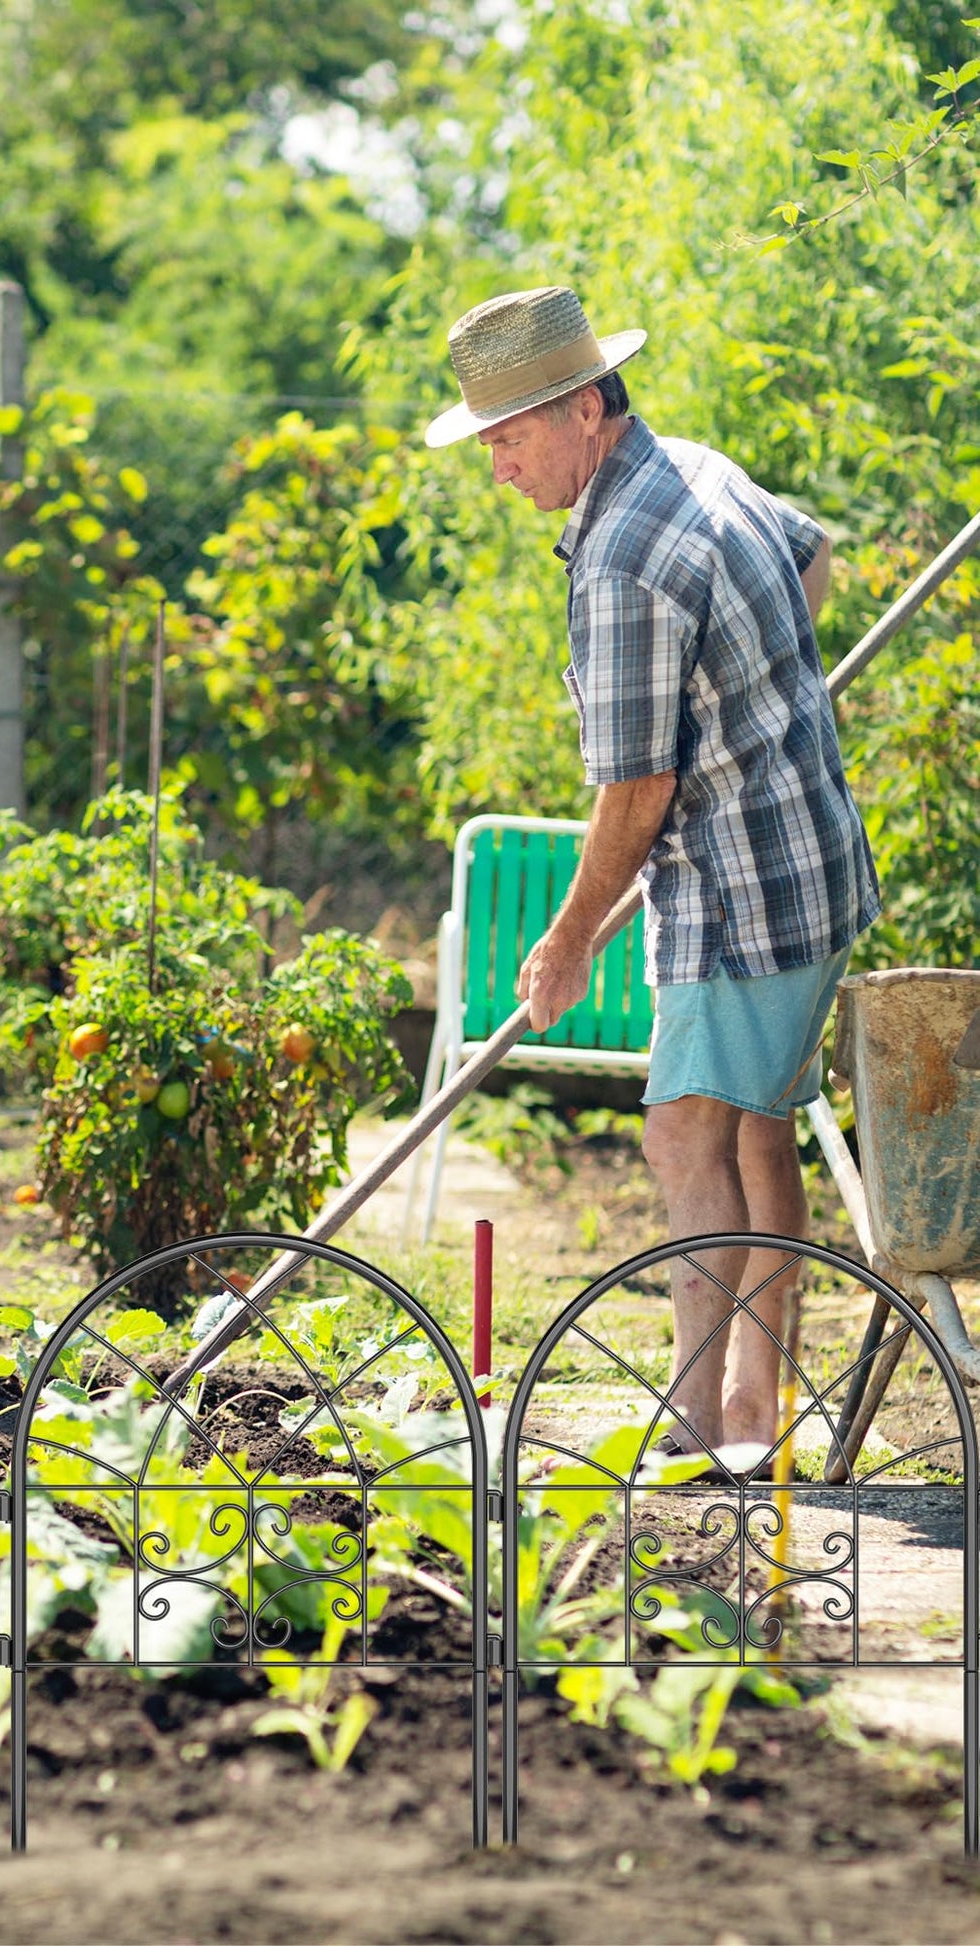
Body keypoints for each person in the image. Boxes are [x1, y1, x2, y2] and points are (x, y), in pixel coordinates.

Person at [426, 286, 879, 1459]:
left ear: (584, 408)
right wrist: (760, 702)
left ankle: (695, 1423)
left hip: (741, 893)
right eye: (485, 440)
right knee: (752, 1132)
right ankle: (745, 1410)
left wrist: (566, 936)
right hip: (805, 863)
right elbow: (811, 556)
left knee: (683, 1136)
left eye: (510, 436)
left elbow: (634, 793)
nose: (496, 464)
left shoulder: (621, 556)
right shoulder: (695, 466)